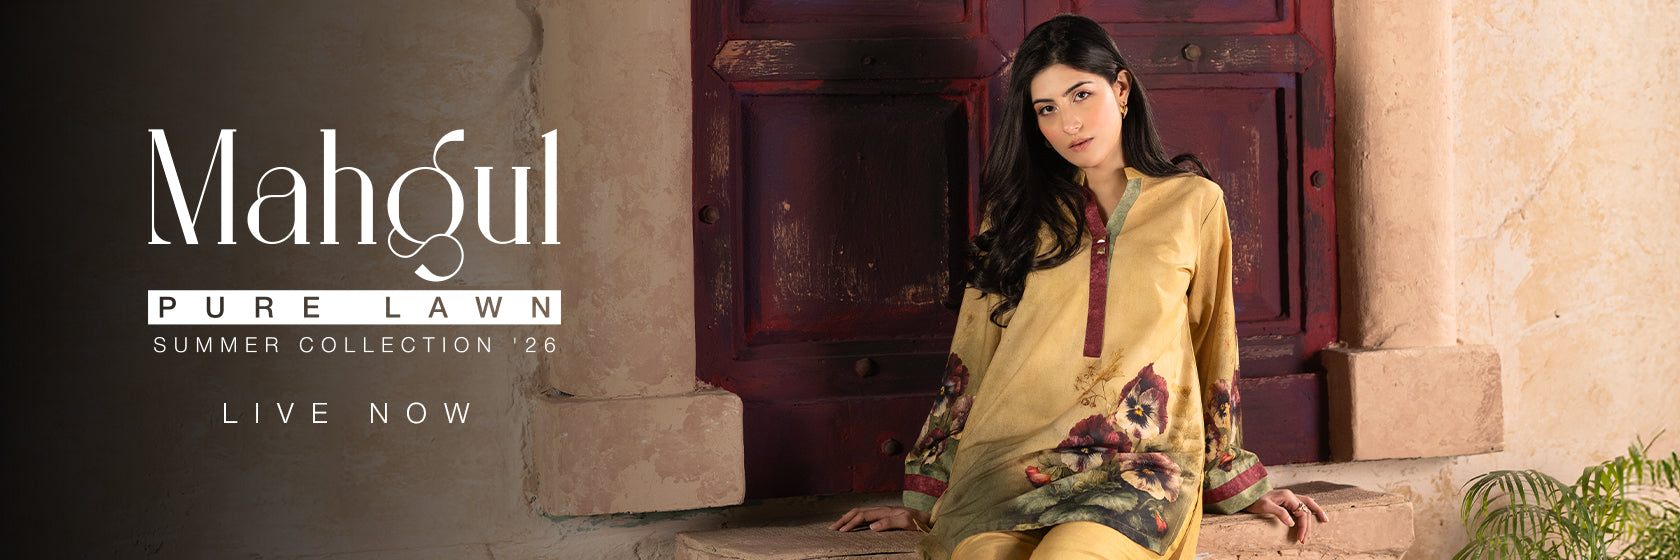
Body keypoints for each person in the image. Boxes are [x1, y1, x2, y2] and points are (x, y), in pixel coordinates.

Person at [828, 14, 1330, 560]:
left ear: (1121, 89)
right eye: (1046, 108)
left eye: (1081, 95)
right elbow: (972, 351)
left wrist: (1236, 481)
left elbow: (1214, 342)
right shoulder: (1016, 214)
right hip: (1007, 466)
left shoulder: (1194, 204)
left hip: (1138, 469)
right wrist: (928, 496)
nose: (1068, 123)